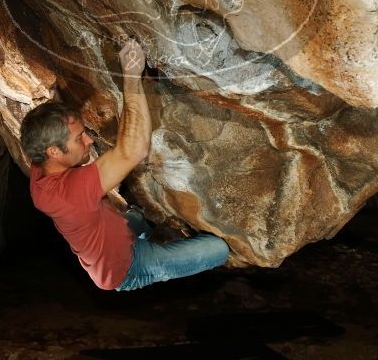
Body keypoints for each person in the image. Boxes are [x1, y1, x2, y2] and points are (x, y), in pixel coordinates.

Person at [20, 39, 229, 291]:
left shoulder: (40, 163)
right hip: (127, 267)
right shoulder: (69, 195)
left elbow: (44, 126)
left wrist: (57, 100)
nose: (89, 139)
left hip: (112, 231)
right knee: (218, 249)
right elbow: (134, 150)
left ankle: (146, 231)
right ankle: (158, 251)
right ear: (53, 151)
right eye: (79, 138)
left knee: (137, 217)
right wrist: (131, 77)